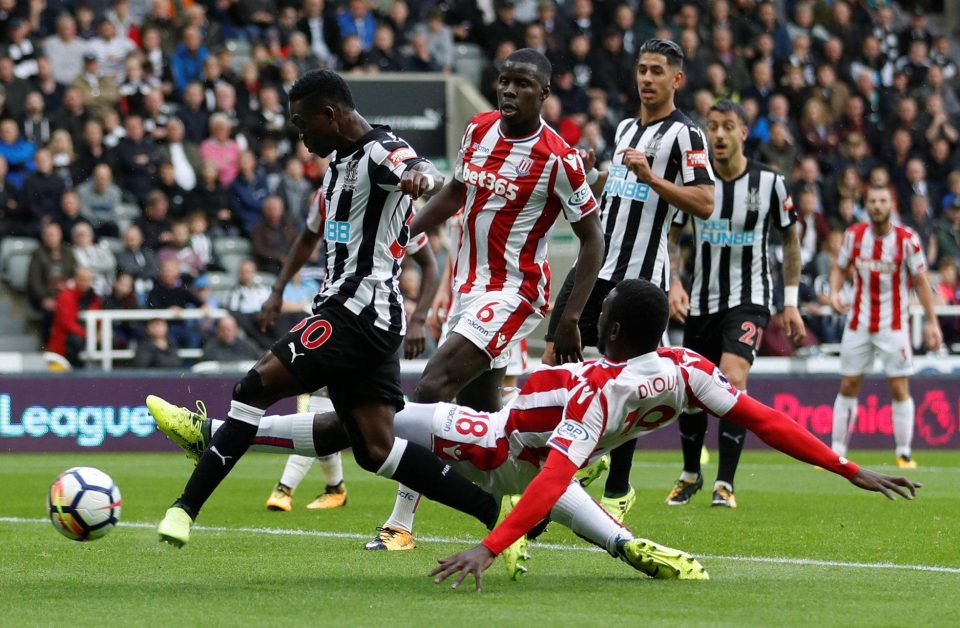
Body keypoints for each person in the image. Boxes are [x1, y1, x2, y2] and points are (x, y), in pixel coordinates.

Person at [149, 279, 921, 587]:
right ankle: (629, 547)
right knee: (551, 488)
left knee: (366, 427)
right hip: (535, 464)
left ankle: (216, 432)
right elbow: (766, 418)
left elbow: (550, 474)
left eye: (600, 317)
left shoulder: (596, 388)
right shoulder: (686, 369)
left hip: (487, 448)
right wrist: (848, 468)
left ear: (610, 329)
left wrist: (489, 540)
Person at [153, 69, 506, 549]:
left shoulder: (381, 152)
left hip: (355, 312)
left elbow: (419, 166)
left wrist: (421, 176)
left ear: (330, 115)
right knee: (376, 450)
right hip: (369, 317)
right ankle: (497, 512)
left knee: (252, 387)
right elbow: (310, 235)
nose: (301, 138)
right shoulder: (337, 168)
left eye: (303, 125)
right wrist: (279, 289)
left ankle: (184, 507)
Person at [364, 47, 604, 550]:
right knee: (485, 429)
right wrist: (402, 236)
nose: (509, 91)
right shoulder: (478, 129)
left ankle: (400, 523)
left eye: (521, 84)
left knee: (432, 387)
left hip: (514, 291)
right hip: (467, 289)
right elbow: (454, 194)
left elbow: (592, 238)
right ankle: (548, 488)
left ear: (544, 93)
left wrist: (571, 316)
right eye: (504, 81)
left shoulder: (559, 158)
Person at [543, 38, 715, 520]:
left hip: (641, 277)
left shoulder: (686, 136)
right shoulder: (622, 129)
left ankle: (617, 489)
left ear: (676, 79)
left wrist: (653, 179)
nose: (647, 78)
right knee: (557, 357)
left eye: (657, 70)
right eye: (642, 69)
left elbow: (705, 201)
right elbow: (613, 194)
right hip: (596, 265)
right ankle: (577, 459)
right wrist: (588, 175)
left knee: (631, 381)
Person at [664, 100, 805, 508]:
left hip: (751, 298)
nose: (720, 135)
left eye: (728, 126)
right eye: (713, 127)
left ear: (744, 133)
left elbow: (790, 240)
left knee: (732, 378)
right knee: (691, 392)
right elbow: (671, 236)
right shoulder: (695, 183)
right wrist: (674, 282)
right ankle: (691, 473)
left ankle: (725, 484)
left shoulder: (770, 184)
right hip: (702, 302)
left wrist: (791, 302)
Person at [263, 231, 440, 515]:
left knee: (357, 433)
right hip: (335, 322)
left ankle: (310, 488)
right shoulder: (337, 206)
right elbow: (308, 237)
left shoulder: (393, 215)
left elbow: (427, 259)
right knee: (319, 417)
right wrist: (278, 289)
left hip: (373, 330)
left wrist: (419, 316)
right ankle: (318, 488)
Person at [829, 186, 943, 468]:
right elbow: (839, 267)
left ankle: (903, 453)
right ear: (865, 205)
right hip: (858, 322)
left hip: (894, 325)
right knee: (848, 383)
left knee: (898, 386)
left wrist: (932, 322)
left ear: (891, 204)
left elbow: (920, 281)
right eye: (872, 201)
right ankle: (836, 452)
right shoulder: (854, 235)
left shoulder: (907, 239)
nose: (877, 206)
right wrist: (834, 293)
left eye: (882, 201)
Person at [47, 268, 102, 367]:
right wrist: (88, 334)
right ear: (76, 279)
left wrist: (98, 332)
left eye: (88, 280)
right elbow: (67, 323)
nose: (85, 283)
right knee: (75, 342)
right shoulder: (66, 296)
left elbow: (98, 320)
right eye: (82, 280)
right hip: (66, 340)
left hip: (85, 335)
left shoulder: (94, 297)